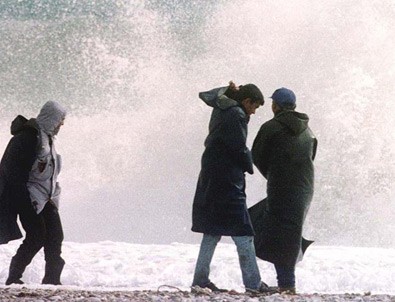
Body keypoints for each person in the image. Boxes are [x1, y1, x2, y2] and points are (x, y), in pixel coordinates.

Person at [191, 81, 275, 293]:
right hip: (227, 181)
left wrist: (229, 91)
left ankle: (200, 280)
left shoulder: (222, 108)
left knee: (211, 232)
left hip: (212, 176)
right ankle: (253, 284)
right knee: (244, 233)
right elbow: (238, 147)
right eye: (254, 107)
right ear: (246, 101)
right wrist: (250, 164)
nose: (254, 112)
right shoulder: (236, 114)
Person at [251, 88, 317, 294]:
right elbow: (311, 156)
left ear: (275, 106)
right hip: (305, 188)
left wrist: (273, 175)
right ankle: (285, 283)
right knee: (289, 232)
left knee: (256, 224)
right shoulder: (308, 131)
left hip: (281, 188)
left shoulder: (270, 127)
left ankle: (285, 284)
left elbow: (257, 156)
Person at [0, 101, 67, 285]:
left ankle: (52, 281)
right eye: (61, 119)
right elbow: (13, 174)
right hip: (29, 198)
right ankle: (14, 278)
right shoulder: (28, 138)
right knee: (36, 237)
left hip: (47, 198)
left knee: (55, 237)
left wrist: (54, 197)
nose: (62, 124)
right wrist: (25, 206)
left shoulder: (49, 137)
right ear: (52, 118)